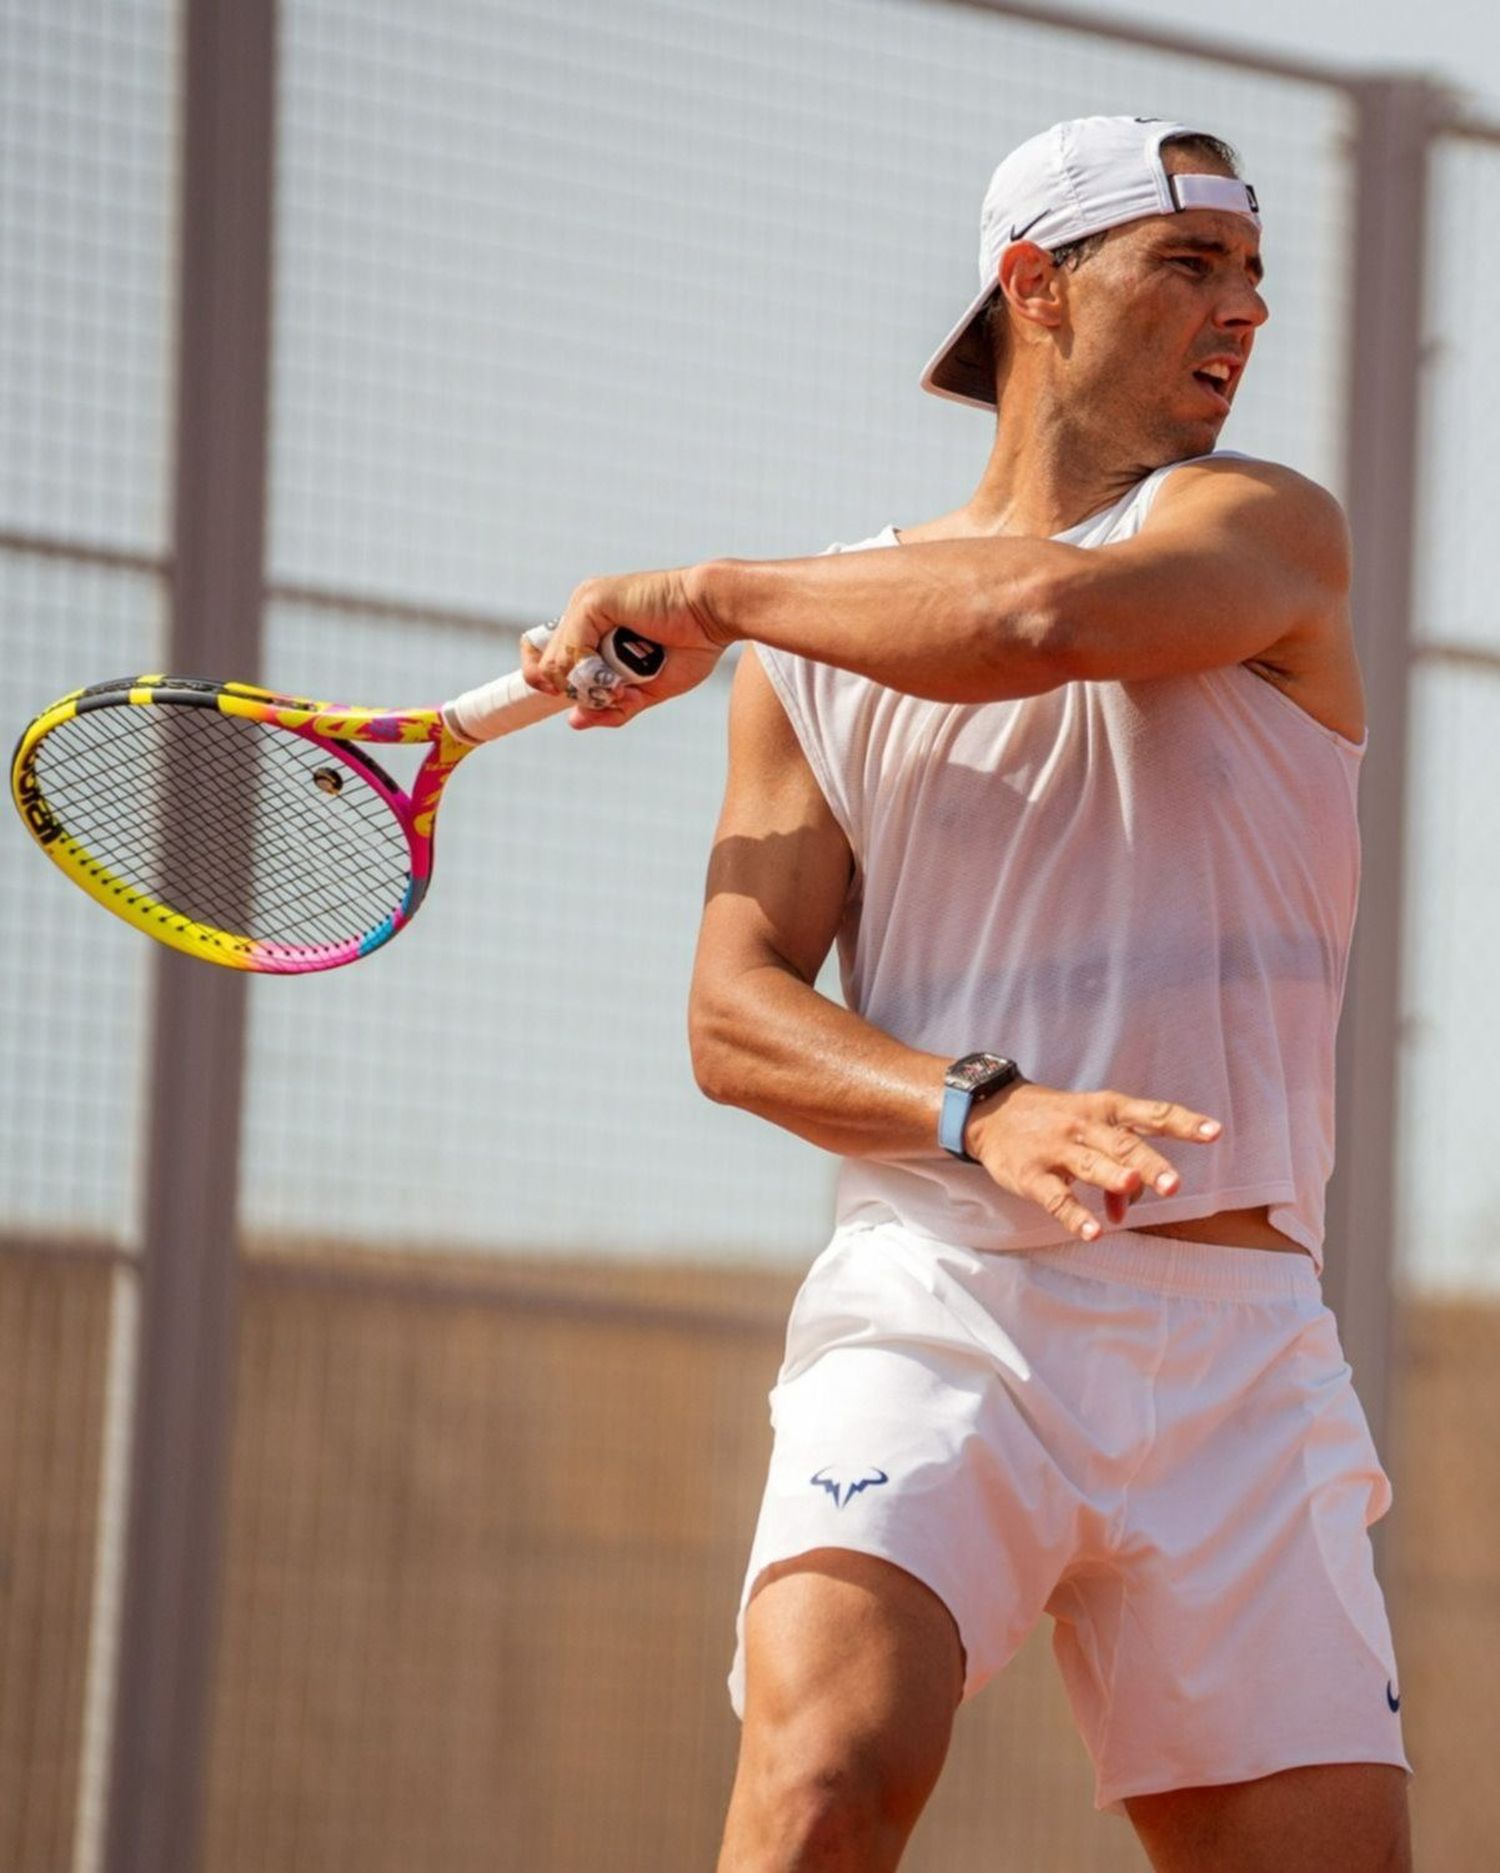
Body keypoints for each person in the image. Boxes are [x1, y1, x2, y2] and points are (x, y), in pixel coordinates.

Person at [524, 116, 1411, 1872]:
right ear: (1036, 287)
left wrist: (705, 591)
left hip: (1244, 1353)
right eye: (1188, 266)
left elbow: (1038, 625)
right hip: (941, 1308)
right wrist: (979, 1107)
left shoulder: (1264, 530)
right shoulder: (804, 657)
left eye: (1251, 275)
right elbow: (734, 1016)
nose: (1243, 310)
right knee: (823, 1788)